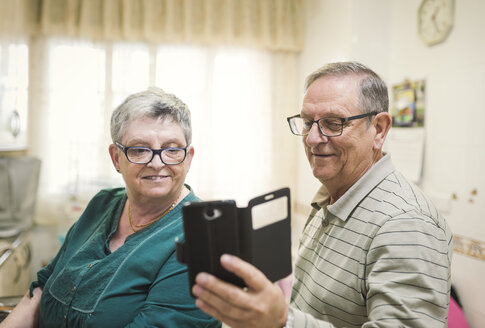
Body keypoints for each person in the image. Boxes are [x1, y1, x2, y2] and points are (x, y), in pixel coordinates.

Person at [192, 61, 453, 327]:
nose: (312, 138)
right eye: (308, 122)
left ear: (378, 129)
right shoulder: (330, 197)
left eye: (333, 123)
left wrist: (284, 320)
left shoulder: (406, 224)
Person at [1, 88, 221, 327]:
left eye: (172, 149)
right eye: (139, 149)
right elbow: (44, 286)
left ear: (188, 158)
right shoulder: (102, 204)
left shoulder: (203, 236)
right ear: (116, 158)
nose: (157, 163)